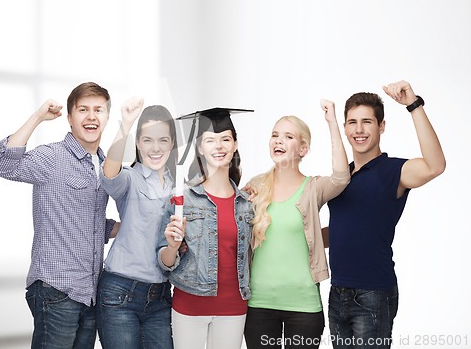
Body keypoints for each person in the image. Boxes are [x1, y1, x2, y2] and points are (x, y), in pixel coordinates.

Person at [0, 82, 118, 349]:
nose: (92, 116)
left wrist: (132, 226)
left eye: (99, 110)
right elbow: (1, 164)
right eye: (83, 109)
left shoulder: (106, 165)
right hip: (56, 289)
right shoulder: (52, 157)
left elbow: (90, 224)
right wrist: (37, 117)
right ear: (70, 118)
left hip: (90, 291)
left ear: (107, 117)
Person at [326, 80, 446, 349]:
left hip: (373, 293)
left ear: (381, 126)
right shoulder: (341, 177)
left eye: (367, 122)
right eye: (352, 122)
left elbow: (435, 166)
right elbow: (341, 231)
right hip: (338, 292)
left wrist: (413, 105)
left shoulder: (394, 172)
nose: (359, 130)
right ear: (344, 127)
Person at [243, 100, 350, 349]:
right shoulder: (254, 187)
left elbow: (342, 177)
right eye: (275, 135)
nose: (278, 141)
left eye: (288, 137)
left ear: (303, 149)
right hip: (259, 304)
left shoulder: (313, 188)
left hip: (303, 306)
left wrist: (332, 122)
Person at [157, 108, 254, 349]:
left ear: (235, 145)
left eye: (225, 139)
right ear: (200, 148)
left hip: (233, 307)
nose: (218, 146)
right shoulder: (182, 199)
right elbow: (165, 261)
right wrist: (172, 246)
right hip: (190, 306)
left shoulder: (246, 203)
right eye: (210, 140)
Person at [96, 98, 177, 349]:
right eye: (147, 140)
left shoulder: (181, 187)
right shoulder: (130, 179)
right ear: (138, 143)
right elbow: (108, 173)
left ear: (172, 143)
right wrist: (126, 124)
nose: (155, 148)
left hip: (161, 296)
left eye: (163, 139)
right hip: (119, 292)